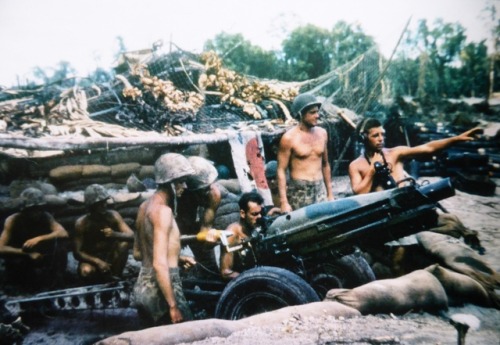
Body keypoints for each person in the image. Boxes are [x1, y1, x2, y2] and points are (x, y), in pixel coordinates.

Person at [133, 153, 196, 326]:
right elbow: (159, 264)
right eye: (181, 181)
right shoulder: (163, 212)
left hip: (142, 287)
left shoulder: (144, 207)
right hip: (161, 291)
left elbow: (138, 253)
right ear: (170, 184)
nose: (184, 186)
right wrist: (173, 306)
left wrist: (177, 257)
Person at [348, 117, 482, 194]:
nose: (381, 139)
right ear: (364, 138)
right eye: (375, 135)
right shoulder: (355, 165)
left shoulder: (395, 153)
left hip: (405, 203)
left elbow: (428, 148)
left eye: (382, 134)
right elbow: (359, 193)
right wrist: (372, 170)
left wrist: (456, 139)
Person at [0, 187, 68, 287]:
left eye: (39, 209)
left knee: (61, 248)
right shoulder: (13, 220)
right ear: (25, 210)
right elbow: (1, 248)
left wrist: (39, 238)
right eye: (32, 210)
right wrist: (26, 254)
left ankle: (56, 279)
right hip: (20, 256)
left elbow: (63, 233)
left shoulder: (46, 216)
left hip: (40, 255)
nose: (37, 213)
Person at [277, 93, 334, 213]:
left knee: (324, 222)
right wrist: (284, 202)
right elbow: (281, 170)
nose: (317, 116)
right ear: (301, 114)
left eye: (317, 112)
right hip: (299, 191)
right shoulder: (289, 138)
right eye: (312, 113)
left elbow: (325, 164)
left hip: (320, 189)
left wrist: (330, 193)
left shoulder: (322, 133)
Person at [73, 184, 134, 283]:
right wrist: (98, 262)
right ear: (91, 205)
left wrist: (115, 234)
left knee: (124, 244)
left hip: (110, 256)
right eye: (100, 203)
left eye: (105, 201)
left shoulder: (113, 216)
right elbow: (77, 252)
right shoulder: (82, 223)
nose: (104, 205)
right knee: (86, 272)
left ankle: (116, 277)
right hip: (91, 259)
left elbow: (132, 236)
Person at [177, 156, 221, 277]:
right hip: (180, 223)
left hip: (192, 224)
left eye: (209, 187)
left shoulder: (214, 194)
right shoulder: (179, 198)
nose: (208, 192)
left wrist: (208, 242)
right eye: (203, 190)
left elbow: (205, 230)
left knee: (207, 265)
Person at [220, 191, 264, 280]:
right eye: (254, 214)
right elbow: (225, 272)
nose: (259, 217)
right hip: (245, 282)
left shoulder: (259, 226)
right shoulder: (232, 234)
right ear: (243, 213)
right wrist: (253, 278)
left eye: (261, 212)